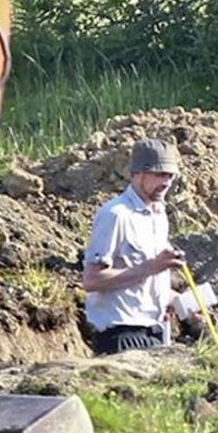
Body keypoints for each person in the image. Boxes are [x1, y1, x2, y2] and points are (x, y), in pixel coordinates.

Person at [82, 138, 187, 354]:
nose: (166, 182)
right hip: (119, 336)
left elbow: (144, 284)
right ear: (136, 174)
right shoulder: (116, 215)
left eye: (170, 175)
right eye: (159, 174)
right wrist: (152, 266)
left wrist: (182, 303)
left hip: (154, 333)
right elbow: (92, 280)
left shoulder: (158, 215)